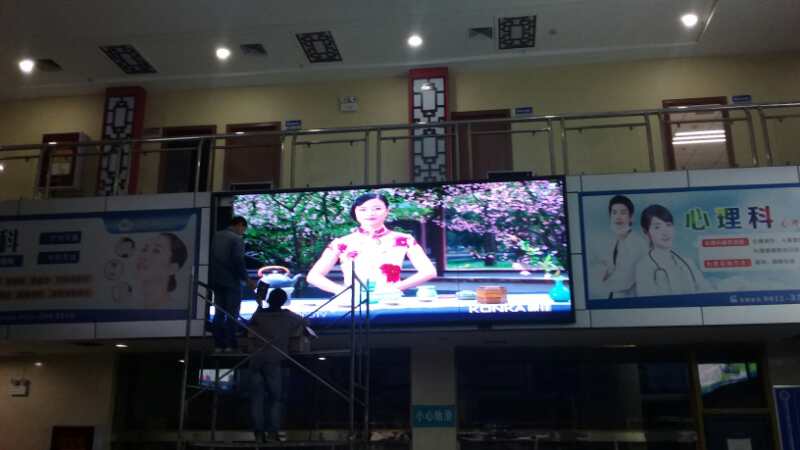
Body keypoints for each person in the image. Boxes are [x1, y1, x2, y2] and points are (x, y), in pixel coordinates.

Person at [306, 193, 437, 297]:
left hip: (391, 300)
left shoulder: (404, 239)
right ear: (356, 213)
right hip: (353, 302)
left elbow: (429, 271)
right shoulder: (341, 243)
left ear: (387, 211)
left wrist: (394, 288)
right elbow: (313, 276)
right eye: (363, 209)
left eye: (377, 208)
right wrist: (343, 291)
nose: (370, 213)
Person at [247, 288, 306, 443]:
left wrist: (259, 306)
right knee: (275, 399)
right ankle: (272, 434)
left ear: (269, 299)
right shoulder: (287, 316)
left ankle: (259, 435)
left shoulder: (259, 315)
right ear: (283, 301)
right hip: (274, 360)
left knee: (257, 399)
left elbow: (249, 327)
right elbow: (305, 322)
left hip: (255, 360)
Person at [635, 204, 707, 296]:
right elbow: (647, 300)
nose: (665, 232)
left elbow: (706, 290)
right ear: (646, 232)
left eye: (668, 225)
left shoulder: (688, 263)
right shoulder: (643, 266)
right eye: (657, 227)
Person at [210, 216, 257, 352]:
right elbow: (238, 261)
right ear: (240, 225)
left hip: (216, 280)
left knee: (219, 313)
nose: (243, 232)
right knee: (232, 314)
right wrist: (247, 279)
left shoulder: (217, 236)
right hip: (231, 281)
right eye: (243, 229)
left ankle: (219, 345)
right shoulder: (236, 239)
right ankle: (231, 345)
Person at [593, 195, 647, 298]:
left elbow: (624, 281)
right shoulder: (615, 241)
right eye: (614, 213)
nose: (618, 217)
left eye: (623, 213)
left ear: (631, 217)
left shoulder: (637, 243)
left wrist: (601, 282)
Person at [134, 233, 188, 307]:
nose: (144, 256)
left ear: (172, 268)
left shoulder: (175, 308)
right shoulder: (131, 305)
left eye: (156, 251)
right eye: (144, 249)